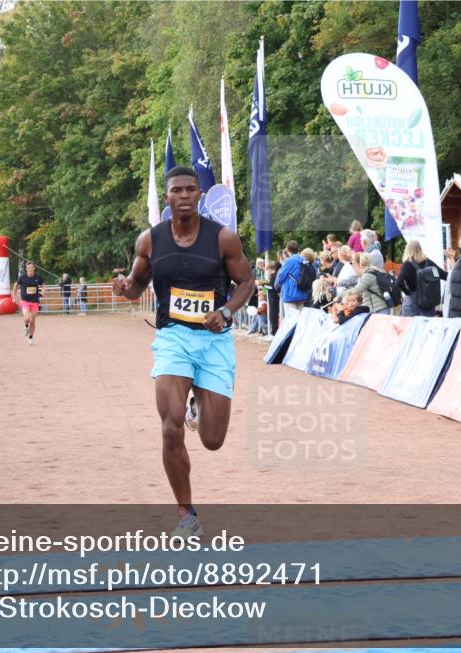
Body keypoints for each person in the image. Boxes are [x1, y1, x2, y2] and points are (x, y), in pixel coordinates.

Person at [111, 165, 255, 538]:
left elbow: (247, 282)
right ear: (169, 196)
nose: (186, 195)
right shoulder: (151, 240)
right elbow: (136, 285)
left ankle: (199, 407)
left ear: (200, 196)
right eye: (178, 190)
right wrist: (124, 286)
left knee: (212, 439)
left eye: (192, 189)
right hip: (173, 338)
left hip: (214, 342)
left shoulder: (223, 239)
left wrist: (225, 311)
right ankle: (186, 513)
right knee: (170, 427)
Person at [398, 239, 444, 317]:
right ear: (420, 249)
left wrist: (407, 292)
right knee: (427, 326)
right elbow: (444, 275)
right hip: (429, 300)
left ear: (407, 250)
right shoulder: (428, 262)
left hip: (413, 301)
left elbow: (399, 282)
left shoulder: (407, 264)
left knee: (409, 326)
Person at [273, 241, 311, 319]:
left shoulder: (290, 261)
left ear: (288, 250)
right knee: (300, 319)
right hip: (302, 292)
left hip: (290, 293)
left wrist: (278, 287)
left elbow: (281, 276)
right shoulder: (304, 260)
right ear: (298, 248)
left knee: (291, 320)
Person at [14, 261, 42, 345]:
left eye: (31, 268)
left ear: (34, 268)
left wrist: (44, 290)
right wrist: (14, 296)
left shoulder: (38, 276)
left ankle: (31, 337)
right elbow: (15, 286)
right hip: (25, 301)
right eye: (28, 268)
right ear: (26, 269)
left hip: (35, 301)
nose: (30, 269)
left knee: (32, 321)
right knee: (27, 319)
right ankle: (26, 326)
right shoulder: (22, 277)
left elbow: (43, 284)